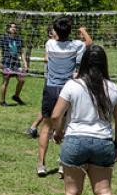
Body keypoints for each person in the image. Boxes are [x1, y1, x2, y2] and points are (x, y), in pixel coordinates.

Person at [51, 45, 117, 195]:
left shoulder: (72, 85)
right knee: (103, 191)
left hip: (75, 140)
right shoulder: (114, 88)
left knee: (73, 191)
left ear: (83, 63)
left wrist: (58, 132)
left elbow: (56, 115)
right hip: (103, 142)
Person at [37, 17, 93, 177]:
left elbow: (56, 38)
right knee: (68, 128)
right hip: (68, 90)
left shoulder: (50, 44)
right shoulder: (76, 45)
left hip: (51, 88)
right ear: (69, 31)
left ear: (55, 31)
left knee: (46, 126)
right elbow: (89, 43)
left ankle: (41, 164)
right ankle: (63, 164)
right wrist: (82, 31)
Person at [25, 26, 57, 138]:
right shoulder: (50, 42)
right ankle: (37, 128)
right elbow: (46, 58)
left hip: (55, 80)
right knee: (48, 107)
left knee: (54, 107)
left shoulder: (58, 43)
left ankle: (47, 130)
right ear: (50, 34)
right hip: (51, 80)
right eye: (54, 30)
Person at [0, 22, 28, 106]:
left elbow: (21, 52)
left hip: (16, 63)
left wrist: (25, 63)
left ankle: (16, 96)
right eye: (12, 27)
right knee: (5, 81)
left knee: (22, 79)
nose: (14, 28)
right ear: (8, 29)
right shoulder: (3, 38)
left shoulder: (19, 39)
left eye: (15, 27)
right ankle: (2, 101)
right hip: (6, 63)